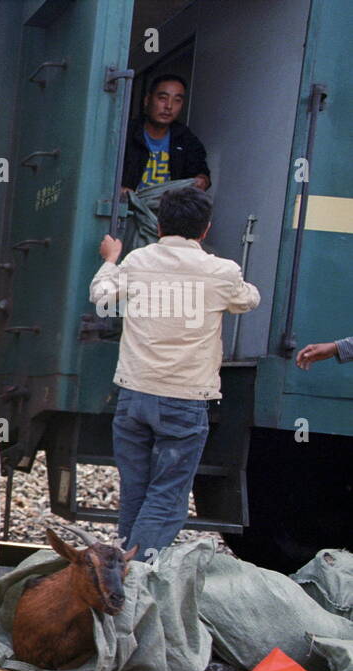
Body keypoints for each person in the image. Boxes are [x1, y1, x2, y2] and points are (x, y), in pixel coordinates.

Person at [89, 187, 259, 562]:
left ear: (160, 224)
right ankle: (138, 571)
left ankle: (124, 564)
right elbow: (248, 299)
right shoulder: (221, 271)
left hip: (133, 396)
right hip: (184, 402)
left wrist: (110, 259)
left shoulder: (136, 261)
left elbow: (101, 295)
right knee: (167, 496)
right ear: (206, 229)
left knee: (136, 487)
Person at [121, 74, 211, 193]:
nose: (169, 106)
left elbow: (201, 171)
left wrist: (202, 180)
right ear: (147, 100)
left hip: (168, 210)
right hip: (126, 209)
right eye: (163, 98)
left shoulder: (185, 138)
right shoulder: (126, 133)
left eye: (177, 100)